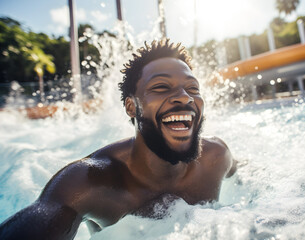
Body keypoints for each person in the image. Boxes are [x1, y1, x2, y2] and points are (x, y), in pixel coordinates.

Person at [0, 39, 237, 239]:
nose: (185, 97)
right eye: (162, 87)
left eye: (193, 89)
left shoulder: (217, 157)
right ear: (131, 107)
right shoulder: (89, 183)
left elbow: (250, 181)